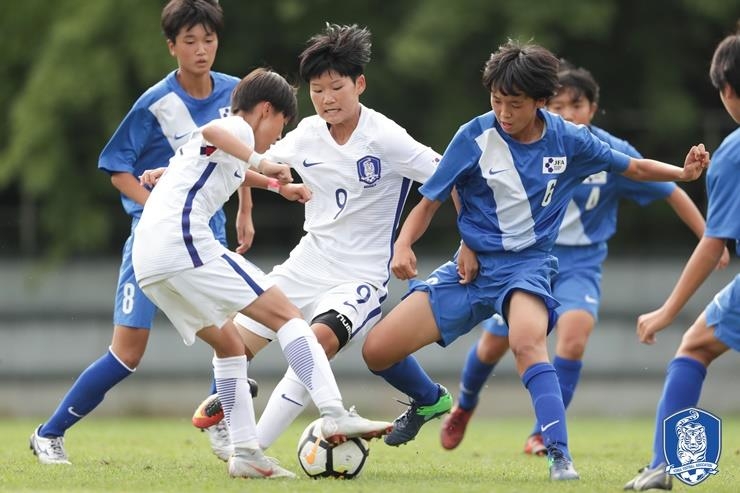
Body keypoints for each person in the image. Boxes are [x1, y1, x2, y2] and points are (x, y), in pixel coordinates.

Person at [361, 39, 709, 481]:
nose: (504, 113)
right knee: (377, 351)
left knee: (527, 342)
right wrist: (403, 245)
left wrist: (682, 173)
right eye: (497, 101)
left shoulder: (571, 140)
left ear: (542, 102)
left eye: (515, 104)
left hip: (528, 267)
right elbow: (430, 200)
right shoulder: (473, 136)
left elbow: (634, 169)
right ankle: (431, 399)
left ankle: (559, 455)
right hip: (471, 269)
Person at [439, 63, 730, 455]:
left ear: (592, 109)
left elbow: (665, 188)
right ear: (544, 106)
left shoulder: (600, 149)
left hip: (581, 264)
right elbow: (469, 189)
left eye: (576, 105)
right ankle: (465, 404)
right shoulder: (522, 140)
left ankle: (543, 433)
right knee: (494, 344)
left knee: (574, 340)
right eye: (558, 105)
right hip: (525, 259)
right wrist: (470, 241)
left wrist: (709, 237)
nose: (566, 114)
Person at [189, 23, 441, 461]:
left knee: (317, 343)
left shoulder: (384, 137)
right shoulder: (306, 133)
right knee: (232, 343)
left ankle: (251, 450)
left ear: (359, 84)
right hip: (307, 262)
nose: (327, 98)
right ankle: (229, 414)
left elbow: (444, 179)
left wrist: (405, 242)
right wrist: (176, 175)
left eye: (336, 87)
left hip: (359, 275)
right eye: (317, 89)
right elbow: (250, 160)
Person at [129, 67, 391, 479]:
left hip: (150, 263)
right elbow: (216, 135)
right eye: (279, 126)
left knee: (231, 346)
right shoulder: (238, 127)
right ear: (266, 111)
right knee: (287, 314)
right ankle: (333, 413)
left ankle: (247, 453)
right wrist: (261, 158)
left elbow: (225, 168)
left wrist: (275, 186)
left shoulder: (231, 148)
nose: (275, 138)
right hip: (183, 245)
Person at [28, 0, 257, 466]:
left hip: (207, 237)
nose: (201, 50)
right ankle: (48, 434)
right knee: (127, 353)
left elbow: (241, 159)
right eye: (189, 41)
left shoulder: (237, 94)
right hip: (153, 243)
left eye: (208, 40)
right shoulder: (155, 103)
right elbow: (116, 168)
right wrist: (160, 213)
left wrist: (245, 211)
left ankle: (225, 429)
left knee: (235, 337)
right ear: (171, 46)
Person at [624, 31, 740, 491]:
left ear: (727, 90)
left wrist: (665, 311)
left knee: (693, 345)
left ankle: (665, 466)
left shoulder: (733, 154)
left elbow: (714, 242)